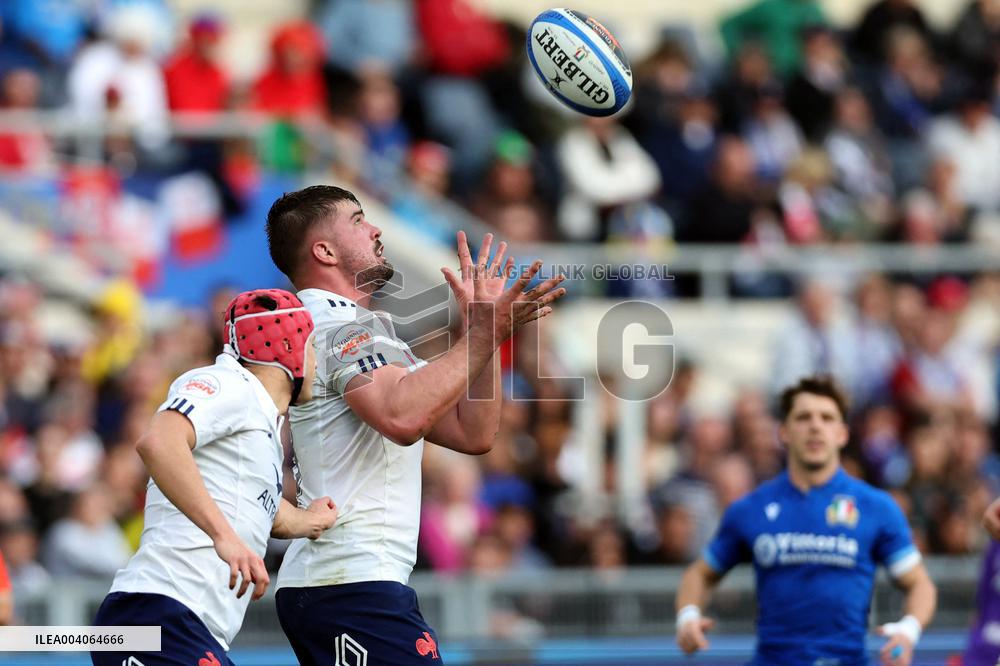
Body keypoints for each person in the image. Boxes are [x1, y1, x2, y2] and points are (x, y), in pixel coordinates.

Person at [265, 185, 565, 664]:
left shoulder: (366, 330)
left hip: (351, 582)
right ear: (324, 251)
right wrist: (483, 335)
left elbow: (474, 432)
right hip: (349, 581)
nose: (375, 229)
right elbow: (402, 417)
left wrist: (482, 336)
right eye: (358, 220)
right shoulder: (337, 326)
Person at [92, 289, 340, 666]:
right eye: (313, 347)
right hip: (157, 615)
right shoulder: (227, 383)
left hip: (184, 626)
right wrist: (224, 536)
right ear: (289, 346)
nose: (318, 361)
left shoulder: (259, 421)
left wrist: (312, 520)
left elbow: (260, 509)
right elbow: (159, 442)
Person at [674, 375, 936, 665]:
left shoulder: (876, 507)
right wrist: (688, 616)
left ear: (842, 434)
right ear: (784, 432)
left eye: (827, 418)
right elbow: (700, 574)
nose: (815, 426)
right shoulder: (751, 508)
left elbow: (919, 583)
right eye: (803, 417)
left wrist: (909, 630)